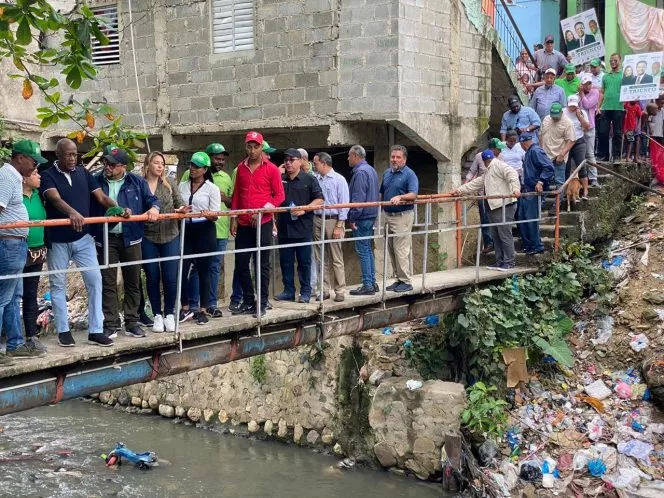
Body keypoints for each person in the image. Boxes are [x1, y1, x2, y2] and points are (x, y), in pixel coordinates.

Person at [41, 138, 123, 348]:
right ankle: (63, 330)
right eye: (68, 154)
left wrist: (120, 209)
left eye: (75, 154)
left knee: (95, 280)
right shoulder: (47, 175)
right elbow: (54, 199)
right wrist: (73, 213)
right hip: (58, 240)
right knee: (58, 285)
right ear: (58, 155)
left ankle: (96, 330)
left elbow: (102, 198)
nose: (72, 158)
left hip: (83, 239)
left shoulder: (84, 173)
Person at [91, 145, 160, 339]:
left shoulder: (136, 181)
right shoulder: (96, 180)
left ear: (123, 166)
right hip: (106, 238)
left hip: (132, 238)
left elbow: (151, 200)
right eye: (106, 163)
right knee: (108, 281)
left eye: (112, 164)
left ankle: (131, 322)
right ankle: (111, 323)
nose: (107, 167)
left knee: (133, 281)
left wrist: (154, 208)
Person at [0, 140, 46, 363]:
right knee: (2, 298)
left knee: (10, 298)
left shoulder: (13, 177)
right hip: (9, 243)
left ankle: (15, 344)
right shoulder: (7, 177)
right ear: (20, 158)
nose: (35, 166)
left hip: (15, 243)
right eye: (33, 161)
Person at [230, 131, 285, 317]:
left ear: (262, 148)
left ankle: (261, 303)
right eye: (249, 147)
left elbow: (279, 196)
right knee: (241, 263)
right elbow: (237, 194)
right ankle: (248, 300)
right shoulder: (241, 168)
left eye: (256, 147)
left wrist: (263, 211)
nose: (252, 150)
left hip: (264, 222)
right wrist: (234, 218)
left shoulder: (271, 169)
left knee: (262, 263)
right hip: (244, 222)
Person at [142, 151, 190, 333]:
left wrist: (182, 209)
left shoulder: (169, 184)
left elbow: (179, 202)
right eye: (156, 162)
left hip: (170, 234)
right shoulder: (141, 185)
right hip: (148, 236)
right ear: (148, 165)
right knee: (152, 276)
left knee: (170, 277)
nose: (160, 166)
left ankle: (169, 312)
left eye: (162, 163)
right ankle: (157, 315)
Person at [183, 143, 232, 319]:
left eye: (222, 159)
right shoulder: (185, 182)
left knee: (210, 269)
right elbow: (178, 200)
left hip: (213, 229)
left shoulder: (220, 181)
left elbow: (226, 206)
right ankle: (190, 307)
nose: (220, 162)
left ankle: (208, 306)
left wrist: (211, 213)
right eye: (217, 158)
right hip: (190, 229)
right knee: (189, 269)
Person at [453, 150, 521, 271]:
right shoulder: (488, 171)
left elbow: (512, 174)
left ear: (483, 161)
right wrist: (460, 190)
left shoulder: (498, 165)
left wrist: (515, 189)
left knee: (504, 235)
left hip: (504, 205)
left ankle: (509, 262)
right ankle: (500, 261)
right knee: (496, 235)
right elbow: (476, 183)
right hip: (494, 206)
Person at [275, 149, 324, 303]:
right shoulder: (280, 179)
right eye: (286, 160)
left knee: (304, 263)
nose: (288, 163)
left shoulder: (309, 179)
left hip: (303, 228)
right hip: (284, 228)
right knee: (286, 262)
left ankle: (305, 292)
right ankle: (288, 291)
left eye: (292, 160)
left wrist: (306, 209)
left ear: (300, 161)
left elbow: (320, 199)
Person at [178, 152, 220, 325]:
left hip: (204, 228)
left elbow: (216, 213)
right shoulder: (182, 185)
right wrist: (181, 210)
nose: (192, 169)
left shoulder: (212, 188)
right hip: (186, 228)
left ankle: (203, 309)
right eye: (191, 165)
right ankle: (185, 307)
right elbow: (176, 204)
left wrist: (209, 215)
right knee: (182, 268)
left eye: (196, 167)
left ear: (204, 170)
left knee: (204, 270)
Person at [312, 152, 349, 302]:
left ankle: (340, 290)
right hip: (318, 219)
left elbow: (344, 204)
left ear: (324, 163)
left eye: (315, 163)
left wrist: (340, 225)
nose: (314, 166)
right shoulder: (316, 179)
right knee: (320, 257)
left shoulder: (339, 180)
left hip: (333, 220)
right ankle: (324, 289)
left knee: (336, 256)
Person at [381, 145, 419, 293]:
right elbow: (382, 192)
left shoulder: (410, 174)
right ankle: (398, 279)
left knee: (401, 249)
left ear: (404, 159)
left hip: (402, 216)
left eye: (398, 157)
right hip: (388, 216)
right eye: (393, 157)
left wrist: (400, 197)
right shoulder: (387, 173)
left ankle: (406, 281)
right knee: (391, 248)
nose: (394, 160)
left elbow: (413, 194)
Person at [19, 168, 49, 352]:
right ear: (23, 178)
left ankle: (31, 336)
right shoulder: (15, 197)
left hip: (37, 251)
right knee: (11, 295)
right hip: (17, 250)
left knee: (31, 293)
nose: (39, 176)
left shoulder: (39, 195)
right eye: (34, 173)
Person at [347, 145, 379, 296]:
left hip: (362, 217)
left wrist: (352, 217)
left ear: (354, 155)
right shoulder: (370, 170)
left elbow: (358, 199)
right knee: (367, 248)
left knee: (363, 250)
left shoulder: (360, 173)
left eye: (349, 156)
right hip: (370, 215)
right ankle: (372, 282)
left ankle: (367, 284)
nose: (347, 159)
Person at [466, 138, 506, 254]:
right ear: (492, 149)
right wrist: (466, 183)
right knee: (485, 219)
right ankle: (489, 243)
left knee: (497, 218)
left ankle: (498, 243)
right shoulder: (479, 156)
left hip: (496, 194)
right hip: (482, 193)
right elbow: (472, 170)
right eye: (498, 149)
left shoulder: (501, 158)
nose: (500, 151)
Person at [518, 134, 555, 255]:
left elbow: (549, 167)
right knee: (522, 218)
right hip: (526, 189)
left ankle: (537, 246)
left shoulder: (535, 151)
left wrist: (541, 181)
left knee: (531, 218)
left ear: (523, 143)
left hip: (534, 190)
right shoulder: (529, 152)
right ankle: (529, 245)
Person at [540, 102, 576, 188]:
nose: (554, 118)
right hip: (545, 155)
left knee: (559, 181)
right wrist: (541, 150)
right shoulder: (546, 119)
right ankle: (543, 201)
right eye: (553, 116)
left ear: (562, 113)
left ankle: (558, 201)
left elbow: (571, 140)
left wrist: (562, 154)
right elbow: (540, 135)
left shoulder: (568, 123)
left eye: (556, 116)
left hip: (558, 156)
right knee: (544, 180)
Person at [563, 95, 590, 199]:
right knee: (566, 166)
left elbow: (587, 127)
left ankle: (585, 190)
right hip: (566, 141)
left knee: (581, 165)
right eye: (571, 106)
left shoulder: (582, 113)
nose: (572, 108)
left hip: (579, 140)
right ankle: (566, 190)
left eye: (574, 106)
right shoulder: (563, 112)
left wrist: (579, 116)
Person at [598, 53, 625, 162]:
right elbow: (602, 93)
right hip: (605, 107)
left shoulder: (624, 75)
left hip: (619, 107)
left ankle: (617, 156)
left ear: (620, 61)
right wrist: (598, 107)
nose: (613, 62)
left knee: (617, 133)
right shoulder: (605, 76)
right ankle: (604, 155)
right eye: (611, 60)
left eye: (615, 60)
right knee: (603, 132)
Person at [579, 73, 602, 186]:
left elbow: (587, 105)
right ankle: (582, 177)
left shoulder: (595, 92)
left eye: (589, 83)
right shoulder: (577, 94)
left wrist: (581, 93)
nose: (588, 86)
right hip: (579, 128)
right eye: (585, 84)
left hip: (590, 127)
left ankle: (593, 178)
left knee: (590, 153)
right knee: (579, 154)